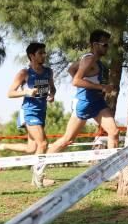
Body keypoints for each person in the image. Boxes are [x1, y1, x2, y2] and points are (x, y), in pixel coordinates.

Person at [47, 30, 120, 184]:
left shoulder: (93, 60)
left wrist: (93, 87)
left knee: (114, 132)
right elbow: (76, 81)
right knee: (67, 140)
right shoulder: (89, 59)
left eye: (108, 45)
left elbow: (71, 70)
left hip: (97, 103)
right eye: (104, 45)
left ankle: (110, 171)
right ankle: (39, 166)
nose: (107, 48)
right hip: (85, 103)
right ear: (94, 45)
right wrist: (100, 87)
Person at [0, 42, 56, 187]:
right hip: (29, 111)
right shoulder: (25, 73)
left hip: (41, 112)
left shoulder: (48, 71)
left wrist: (51, 95)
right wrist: (27, 91)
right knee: (43, 143)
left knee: (31, 148)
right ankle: (39, 179)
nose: (44, 55)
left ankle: (0, 147)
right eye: (40, 53)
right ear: (32, 56)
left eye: (44, 53)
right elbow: (10, 93)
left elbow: (53, 88)